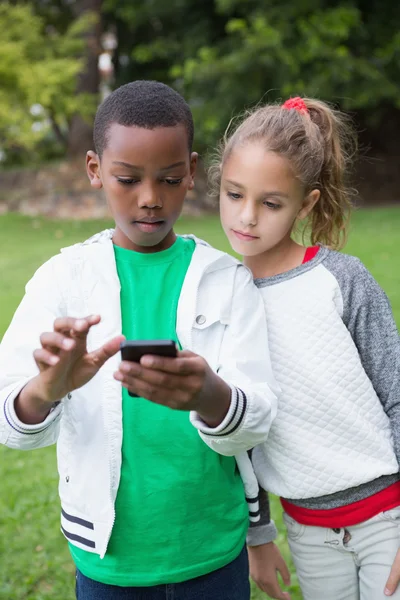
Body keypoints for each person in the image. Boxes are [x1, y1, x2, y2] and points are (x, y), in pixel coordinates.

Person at [0, 81, 280, 600]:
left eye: (170, 179)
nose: (150, 199)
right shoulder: (63, 280)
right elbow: (10, 422)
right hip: (110, 561)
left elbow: (259, 418)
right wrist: (46, 388)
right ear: (94, 170)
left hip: (213, 550)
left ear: (192, 171)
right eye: (127, 179)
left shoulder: (228, 280)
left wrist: (209, 395)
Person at [213, 95, 400, 600]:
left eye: (271, 203)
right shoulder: (218, 298)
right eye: (233, 195)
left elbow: (397, 394)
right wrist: (259, 536)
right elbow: (239, 431)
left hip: (389, 517)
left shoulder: (341, 280)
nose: (246, 217)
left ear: (306, 204)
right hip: (309, 532)